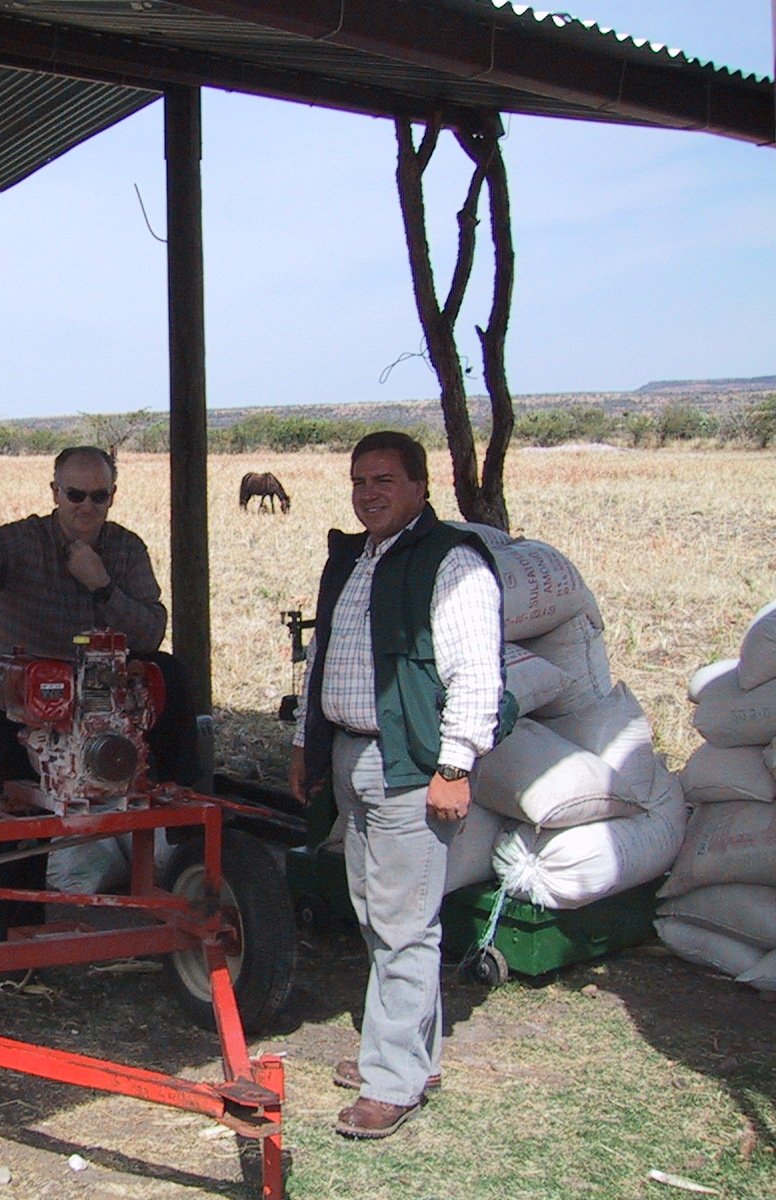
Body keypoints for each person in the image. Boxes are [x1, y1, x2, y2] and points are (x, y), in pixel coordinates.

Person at [288, 430, 516, 1140]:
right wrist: (305, 743)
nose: (368, 494)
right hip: (352, 758)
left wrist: (454, 766)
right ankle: (414, 1052)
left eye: (384, 480)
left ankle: (392, 1083)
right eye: (359, 481)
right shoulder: (353, 560)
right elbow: (323, 653)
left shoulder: (450, 562)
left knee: (404, 922)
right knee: (374, 909)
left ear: (420, 485)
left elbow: (477, 673)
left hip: (410, 764)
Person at [0, 446, 199, 934]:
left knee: (171, 673)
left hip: (103, 697)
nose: (86, 506)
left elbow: (151, 631)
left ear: (113, 497)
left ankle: (182, 820)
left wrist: (102, 586)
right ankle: (20, 931)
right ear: (55, 493)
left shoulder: (127, 550)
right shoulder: (22, 543)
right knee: (16, 810)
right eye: (75, 494)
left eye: (99, 496)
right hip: (30, 701)